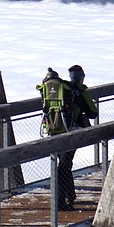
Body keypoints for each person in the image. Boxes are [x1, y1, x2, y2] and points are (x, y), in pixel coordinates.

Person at [37, 65, 98, 210]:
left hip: (54, 129)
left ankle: (70, 195)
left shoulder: (58, 89)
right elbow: (93, 113)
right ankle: (60, 202)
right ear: (81, 77)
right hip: (71, 131)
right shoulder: (78, 92)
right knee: (64, 166)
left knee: (65, 164)